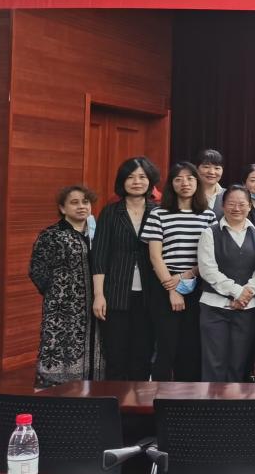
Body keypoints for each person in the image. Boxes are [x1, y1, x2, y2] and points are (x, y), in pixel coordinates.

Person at [142, 162, 215, 381]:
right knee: (166, 345)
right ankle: (159, 396)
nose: (185, 183)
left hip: (197, 283)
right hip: (164, 283)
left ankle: (189, 397)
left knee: (191, 346)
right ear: (171, 184)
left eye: (190, 178)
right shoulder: (158, 214)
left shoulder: (208, 215)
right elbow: (155, 256)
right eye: (178, 179)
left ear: (197, 183)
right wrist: (173, 289)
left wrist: (186, 276)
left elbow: (210, 257)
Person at [91, 156, 160, 380]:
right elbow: (99, 255)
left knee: (143, 355)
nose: (137, 182)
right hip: (115, 293)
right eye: (130, 177)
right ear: (122, 181)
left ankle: (140, 401)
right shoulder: (110, 212)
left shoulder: (159, 211)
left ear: (150, 181)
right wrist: (99, 295)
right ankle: (116, 401)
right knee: (116, 355)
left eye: (142, 177)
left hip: (150, 294)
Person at [30, 185, 101, 388]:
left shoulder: (98, 233)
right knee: (59, 349)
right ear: (62, 208)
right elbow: (37, 269)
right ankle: (54, 396)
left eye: (85, 202)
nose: (81, 206)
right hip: (61, 309)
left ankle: (92, 396)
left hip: (95, 305)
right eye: (74, 203)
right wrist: (57, 293)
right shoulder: (52, 234)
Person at [196, 185, 255, 382]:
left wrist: (247, 292)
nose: (237, 208)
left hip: (248, 308)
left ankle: (235, 402)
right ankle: (211, 401)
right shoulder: (210, 233)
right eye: (231, 204)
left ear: (250, 206)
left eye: (242, 204)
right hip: (214, 308)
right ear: (223, 206)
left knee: (239, 363)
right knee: (214, 362)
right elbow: (208, 269)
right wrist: (236, 292)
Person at [196, 148, 226, 217]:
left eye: (217, 168)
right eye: (206, 167)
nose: (212, 172)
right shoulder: (189, 194)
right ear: (196, 169)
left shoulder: (228, 195)